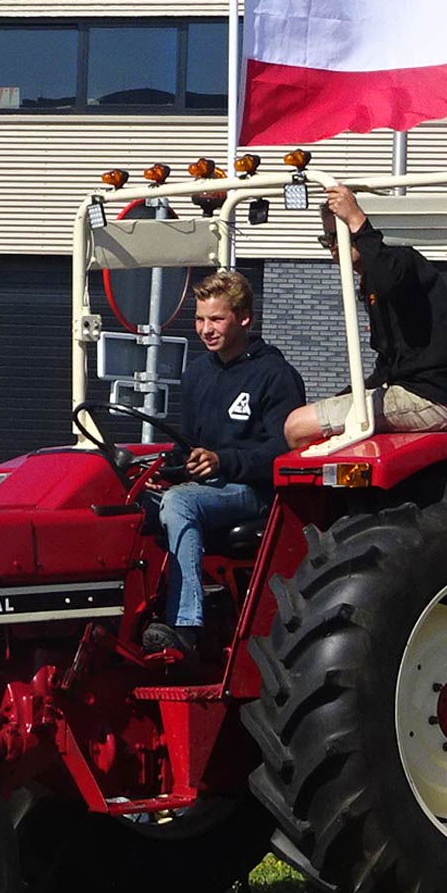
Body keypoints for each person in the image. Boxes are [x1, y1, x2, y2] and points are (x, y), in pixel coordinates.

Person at [143, 269, 305, 662]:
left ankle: (185, 626)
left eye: (216, 319)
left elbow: (283, 452)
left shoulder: (275, 376)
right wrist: (169, 467)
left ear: (244, 318)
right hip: (208, 487)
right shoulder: (197, 374)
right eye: (200, 319)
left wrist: (222, 462)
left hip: (254, 491)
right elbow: (188, 444)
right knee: (131, 502)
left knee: (180, 503)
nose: (205, 329)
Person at [284, 183, 447, 449]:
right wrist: (342, 397)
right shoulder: (376, 280)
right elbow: (387, 365)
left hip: (435, 396)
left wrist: (356, 219)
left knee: (297, 427)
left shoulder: (400, 262)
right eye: (327, 239)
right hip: (424, 391)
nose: (333, 246)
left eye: (338, 235)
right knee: (320, 416)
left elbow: (388, 280)